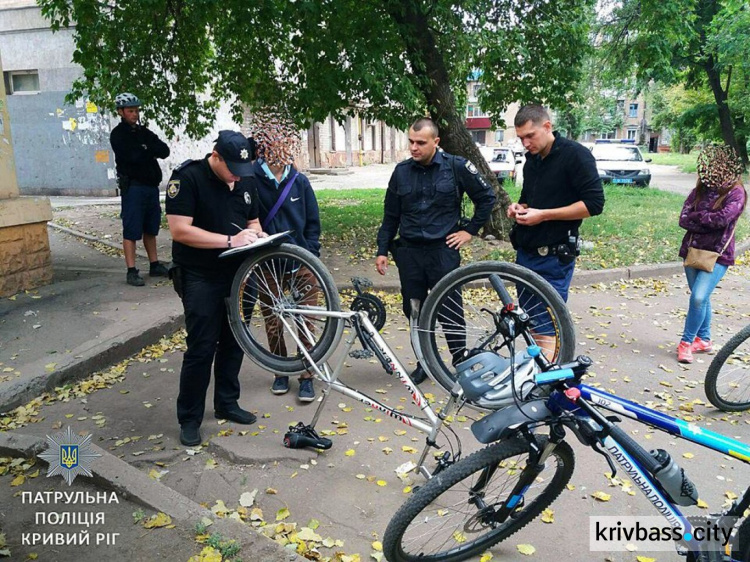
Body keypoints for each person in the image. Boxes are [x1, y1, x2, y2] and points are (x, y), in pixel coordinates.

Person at [375, 117, 496, 383]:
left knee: (450, 310)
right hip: (410, 254)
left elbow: (487, 198)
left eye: (421, 142)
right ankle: (424, 362)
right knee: (414, 310)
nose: (414, 147)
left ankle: (460, 364)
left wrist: (470, 231)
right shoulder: (401, 171)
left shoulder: (456, 167)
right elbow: (390, 214)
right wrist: (382, 249)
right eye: (411, 142)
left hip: (443, 252)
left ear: (436, 142)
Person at [165, 130, 265, 446]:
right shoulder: (188, 177)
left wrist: (257, 236)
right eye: (232, 168)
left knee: (235, 340)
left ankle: (227, 402)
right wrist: (228, 241)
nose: (237, 176)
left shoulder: (245, 178)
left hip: (238, 275)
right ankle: (190, 418)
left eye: (242, 170)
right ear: (216, 156)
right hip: (200, 275)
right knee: (202, 346)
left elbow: (254, 222)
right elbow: (180, 230)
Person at [247, 111, 321, 403]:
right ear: (265, 144)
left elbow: (313, 221)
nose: (282, 145)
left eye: (286, 140)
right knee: (274, 319)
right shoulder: (251, 179)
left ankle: (307, 373)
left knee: (306, 318)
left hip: (301, 261)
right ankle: (280, 370)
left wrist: (310, 252)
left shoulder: (299, 181)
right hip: (267, 265)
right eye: (276, 140)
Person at [507, 104, 605, 302]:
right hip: (525, 253)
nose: (525, 143)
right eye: (521, 138)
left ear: (547, 126)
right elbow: (528, 200)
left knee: (547, 328)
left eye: (530, 136)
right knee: (530, 324)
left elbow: (594, 204)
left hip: (554, 257)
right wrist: (519, 208)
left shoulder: (576, 155)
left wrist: (543, 215)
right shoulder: (532, 161)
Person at [676, 145, 746, 364]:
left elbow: (723, 220)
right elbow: (683, 219)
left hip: (718, 254)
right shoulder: (700, 190)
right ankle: (704, 339)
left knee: (697, 297)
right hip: (692, 250)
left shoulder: (736, 192)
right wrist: (705, 218)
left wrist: (699, 218)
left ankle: (686, 342)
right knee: (701, 298)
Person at [110, 93, 171, 286]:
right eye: (130, 111)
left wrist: (146, 148)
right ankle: (131, 270)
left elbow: (164, 150)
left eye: (136, 111)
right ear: (121, 112)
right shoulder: (119, 135)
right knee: (132, 229)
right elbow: (133, 156)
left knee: (151, 228)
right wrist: (147, 150)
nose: (134, 114)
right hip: (133, 188)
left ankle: (154, 264)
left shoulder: (144, 132)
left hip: (150, 187)